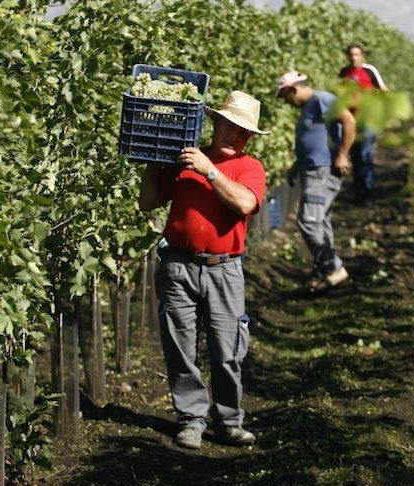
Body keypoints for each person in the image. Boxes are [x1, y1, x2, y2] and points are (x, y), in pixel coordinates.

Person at [138, 90, 269, 450]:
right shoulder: (185, 160)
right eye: (231, 127)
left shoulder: (248, 168)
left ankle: (228, 421)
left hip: (223, 270)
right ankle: (191, 420)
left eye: (244, 133)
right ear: (215, 124)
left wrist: (209, 171)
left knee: (227, 351)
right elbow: (148, 201)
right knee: (180, 347)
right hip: (178, 265)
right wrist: (155, 160)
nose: (236, 136)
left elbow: (245, 202)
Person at [277, 71, 355, 291]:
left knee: (309, 221)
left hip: (321, 170)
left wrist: (342, 154)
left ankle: (332, 268)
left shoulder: (322, 99)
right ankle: (323, 271)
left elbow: (348, 120)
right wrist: (295, 167)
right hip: (312, 168)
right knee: (320, 220)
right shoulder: (310, 107)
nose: (287, 102)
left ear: (293, 89)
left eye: (285, 97)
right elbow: (311, 141)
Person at [339, 44, 388, 204]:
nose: (354, 57)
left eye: (357, 54)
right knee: (354, 155)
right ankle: (358, 192)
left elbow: (384, 91)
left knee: (364, 154)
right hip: (350, 122)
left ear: (362, 56)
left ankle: (366, 193)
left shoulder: (369, 71)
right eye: (351, 54)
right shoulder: (344, 73)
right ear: (347, 56)